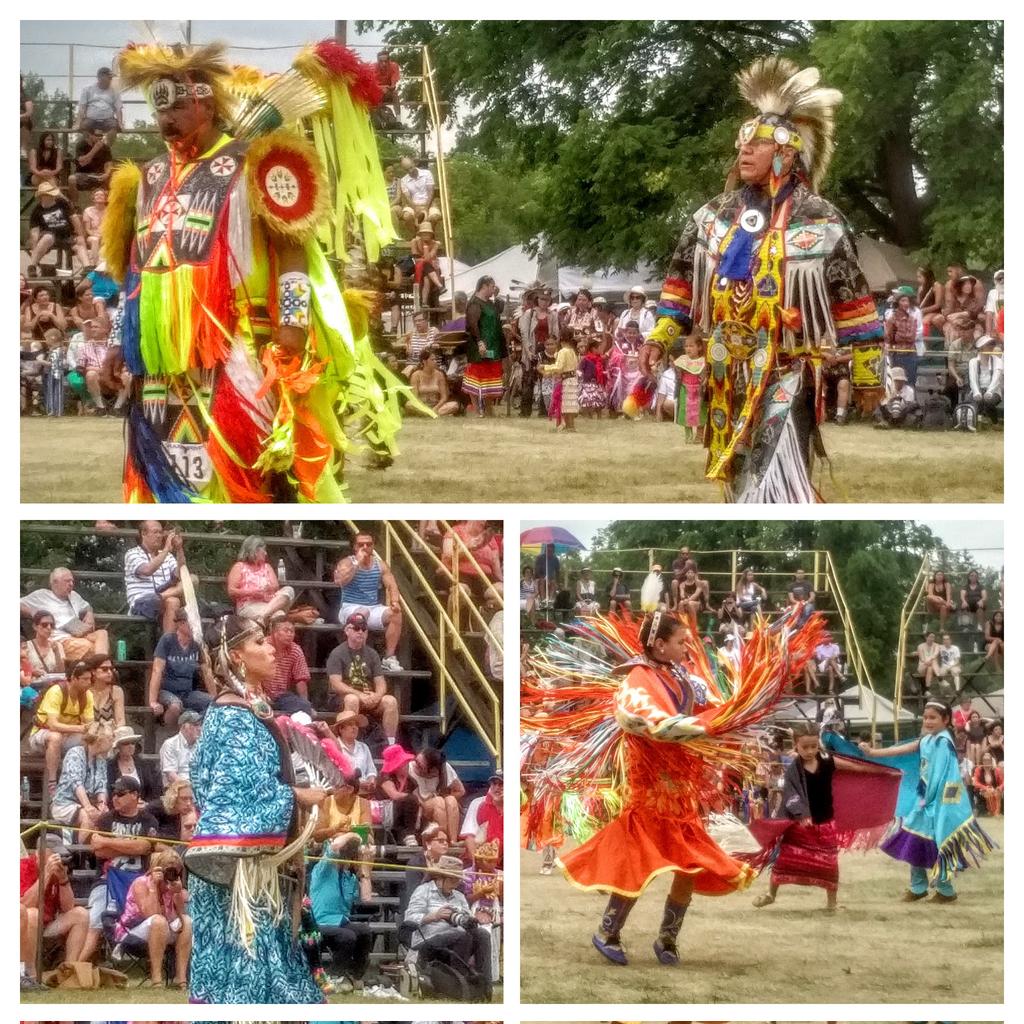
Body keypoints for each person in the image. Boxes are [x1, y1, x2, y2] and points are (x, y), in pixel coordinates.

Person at [105, 39, 405, 503]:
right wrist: (116, 342)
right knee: (166, 468)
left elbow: (292, 252)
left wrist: (291, 327)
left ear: (205, 102)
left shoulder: (254, 162)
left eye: (177, 105)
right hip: (160, 358)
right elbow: (135, 268)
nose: (165, 118)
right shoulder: (147, 178)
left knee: (242, 466)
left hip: (240, 342)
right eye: (157, 107)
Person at [522, 609, 820, 967]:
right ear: (659, 644)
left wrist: (737, 711)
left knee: (690, 864)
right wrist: (691, 727)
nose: (686, 648)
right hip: (649, 789)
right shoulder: (638, 678)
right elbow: (645, 717)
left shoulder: (683, 678)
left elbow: (712, 708)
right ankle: (608, 931)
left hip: (681, 789)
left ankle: (667, 938)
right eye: (681, 642)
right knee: (637, 861)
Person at [645, 57, 880, 501]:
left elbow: (855, 303)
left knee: (774, 476)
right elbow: (678, 286)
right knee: (736, 478)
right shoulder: (715, 215)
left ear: (787, 154)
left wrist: (869, 375)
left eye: (757, 144)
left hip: (786, 369)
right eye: (742, 144)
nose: (744, 152)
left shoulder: (819, 220)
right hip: (724, 373)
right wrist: (659, 337)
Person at [184, 614, 328, 1003]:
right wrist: (298, 796)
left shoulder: (252, 709)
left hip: (257, 870)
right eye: (260, 642)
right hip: (236, 873)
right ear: (236, 656)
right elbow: (233, 792)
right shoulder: (231, 715)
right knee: (246, 980)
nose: (270, 648)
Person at [860, 700, 993, 902]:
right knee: (916, 839)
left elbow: (940, 774)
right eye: (925, 717)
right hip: (927, 800)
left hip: (941, 802)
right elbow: (905, 749)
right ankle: (918, 887)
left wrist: (927, 800)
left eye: (933, 717)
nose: (928, 721)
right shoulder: (928, 740)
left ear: (946, 719)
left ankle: (944, 890)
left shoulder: (942, 742)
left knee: (939, 842)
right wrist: (873, 753)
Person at [751, 724, 888, 912]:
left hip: (825, 822)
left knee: (830, 864)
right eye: (805, 747)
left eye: (813, 746)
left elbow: (855, 767)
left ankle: (832, 904)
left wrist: (881, 772)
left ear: (818, 745)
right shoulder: (794, 769)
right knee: (784, 861)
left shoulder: (827, 761)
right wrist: (802, 814)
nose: (809, 751)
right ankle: (771, 894)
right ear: (796, 746)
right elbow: (791, 794)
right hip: (801, 826)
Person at [81, 774, 160, 964]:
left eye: (121, 793)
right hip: (106, 880)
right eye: (114, 793)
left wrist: (108, 842)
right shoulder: (106, 819)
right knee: (94, 921)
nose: (115, 797)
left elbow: (144, 847)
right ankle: (77, 966)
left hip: (138, 882)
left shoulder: (148, 820)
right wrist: (130, 845)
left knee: (155, 917)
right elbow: (98, 851)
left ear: (135, 795)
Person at [403, 856, 493, 998]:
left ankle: (485, 987)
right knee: (461, 936)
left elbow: (467, 922)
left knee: (482, 934)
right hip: (428, 941)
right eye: (452, 879)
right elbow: (409, 919)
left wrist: (476, 919)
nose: (456, 883)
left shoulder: (459, 896)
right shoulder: (423, 891)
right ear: (440, 877)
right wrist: (433, 916)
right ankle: (459, 985)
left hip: (458, 939)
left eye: (458, 880)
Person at [114, 848, 192, 988]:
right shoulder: (142, 883)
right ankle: (156, 979)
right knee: (158, 921)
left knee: (187, 921)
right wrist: (154, 887)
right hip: (133, 930)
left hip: (162, 929)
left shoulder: (172, 886)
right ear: (159, 869)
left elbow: (180, 914)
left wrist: (177, 893)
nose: (171, 874)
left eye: (176, 871)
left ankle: (181, 979)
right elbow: (151, 914)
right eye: (168, 870)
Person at [20, 840, 91, 986]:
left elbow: (67, 909)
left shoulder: (57, 870)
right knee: (33, 913)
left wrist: (63, 880)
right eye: (53, 855)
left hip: (48, 923)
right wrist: (45, 875)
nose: (58, 858)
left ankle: (69, 971)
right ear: (39, 855)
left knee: (81, 914)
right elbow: (24, 906)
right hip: (25, 925)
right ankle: (30, 975)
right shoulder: (23, 867)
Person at [334, 529, 405, 672]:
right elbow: (340, 581)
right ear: (355, 547)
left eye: (368, 544)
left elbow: (392, 585)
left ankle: (389, 658)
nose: (365, 547)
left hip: (373, 607)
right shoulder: (347, 562)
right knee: (362, 612)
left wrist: (395, 602)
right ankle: (359, 658)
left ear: (373, 546)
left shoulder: (380, 565)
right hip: (349, 607)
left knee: (396, 613)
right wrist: (357, 563)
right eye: (361, 544)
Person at [308, 838, 373, 992]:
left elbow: (366, 898)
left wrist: (365, 870)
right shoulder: (322, 869)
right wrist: (357, 836)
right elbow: (335, 845)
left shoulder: (348, 877)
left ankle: (354, 975)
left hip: (340, 921)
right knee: (347, 936)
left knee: (364, 931)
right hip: (320, 922)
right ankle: (334, 976)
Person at [327, 613, 400, 743]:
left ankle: (390, 744)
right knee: (352, 699)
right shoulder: (337, 653)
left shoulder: (372, 654)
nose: (360, 632)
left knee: (391, 701)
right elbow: (336, 684)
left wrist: (377, 696)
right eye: (356, 628)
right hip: (343, 697)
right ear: (347, 630)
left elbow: (381, 683)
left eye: (364, 629)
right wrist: (360, 695)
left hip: (369, 696)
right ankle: (351, 741)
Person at [29, 662, 95, 795]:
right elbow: (53, 725)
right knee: (55, 737)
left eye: (90, 679)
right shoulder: (56, 691)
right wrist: (80, 729)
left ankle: (86, 779)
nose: (89, 683)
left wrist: (92, 731)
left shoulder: (87, 695)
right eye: (85, 679)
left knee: (91, 739)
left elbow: (90, 724)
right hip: (42, 736)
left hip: (68, 737)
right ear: (74, 678)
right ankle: (52, 782)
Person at [149, 608, 216, 726]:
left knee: (212, 703)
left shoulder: (197, 643)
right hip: (167, 690)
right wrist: (153, 701)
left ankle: (193, 727)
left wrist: (215, 698)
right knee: (175, 705)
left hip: (188, 692)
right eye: (192, 622)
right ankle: (169, 731)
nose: (195, 625)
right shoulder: (167, 641)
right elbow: (157, 670)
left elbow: (207, 672)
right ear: (180, 624)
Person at [124, 520, 185, 634]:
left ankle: (161, 596)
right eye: (155, 532)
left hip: (164, 594)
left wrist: (179, 549)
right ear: (143, 534)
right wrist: (166, 549)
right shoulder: (132, 553)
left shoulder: (168, 556)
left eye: (161, 533)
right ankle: (168, 648)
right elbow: (147, 570)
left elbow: (181, 574)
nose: (159, 536)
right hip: (142, 601)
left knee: (191, 579)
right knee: (173, 601)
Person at [51, 721, 113, 831]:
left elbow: (101, 786)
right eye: (110, 739)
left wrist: (102, 804)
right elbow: (77, 784)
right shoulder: (75, 754)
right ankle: (79, 847)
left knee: (105, 816)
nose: (112, 743)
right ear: (99, 741)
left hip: (88, 803)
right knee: (87, 816)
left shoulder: (101, 760)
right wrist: (88, 807)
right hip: (65, 804)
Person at [226, 536, 296, 622]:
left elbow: (275, 586)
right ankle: (267, 616)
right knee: (279, 615)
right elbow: (231, 591)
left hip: (270, 602)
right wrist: (253, 592)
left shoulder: (267, 566)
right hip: (249, 605)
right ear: (255, 551)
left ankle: (263, 617)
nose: (266, 553)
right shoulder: (239, 567)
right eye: (264, 550)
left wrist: (267, 588)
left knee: (289, 590)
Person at [26, 181, 89, 276]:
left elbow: (74, 219)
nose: (52, 196)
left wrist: (81, 235)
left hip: (66, 235)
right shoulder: (37, 211)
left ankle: (87, 267)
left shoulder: (63, 203)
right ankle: (32, 266)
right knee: (48, 237)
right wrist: (35, 247)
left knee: (79, 242)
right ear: (42, 196)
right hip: (49, 237)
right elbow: (34, 232)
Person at [464, 276, 506, 415]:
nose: (494, 289)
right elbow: (473, 324)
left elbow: (499, 310)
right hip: (479, 346)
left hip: (493, 346)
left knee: (490, 377)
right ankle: (477, 410)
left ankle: (489, 409)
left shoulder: (490, 303)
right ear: (484, 286)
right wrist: (480, 342)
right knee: (476, 376)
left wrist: (496, 295)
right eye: (492, 287)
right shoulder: (474, 303)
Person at [409, 746, 465, 839]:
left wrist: (445, 800)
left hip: (440, 802)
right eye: (416, 761)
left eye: (420, 765)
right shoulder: (409, 768)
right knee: (438, 801)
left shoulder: (444, 769)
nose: (416, 765)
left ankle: (453, 840)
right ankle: (442, 839)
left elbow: (460, 791)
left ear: (433, 770)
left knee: (451, 800)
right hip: (419, 807)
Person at [265, 613, 314, 715]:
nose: (290, 634)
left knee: (304, 706)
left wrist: (305, 703)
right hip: (260, 692)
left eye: (292, 631)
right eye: (286, 630)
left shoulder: (295, 650)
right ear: (274, 632)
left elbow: (301, 679)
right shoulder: (262, 647)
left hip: (281, 695)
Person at [378, 743, 421, 845]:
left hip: (406, 816)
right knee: (410, 800)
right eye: (403, 763)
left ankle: (414, 836)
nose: (406, 765)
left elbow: (418, 801)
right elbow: (394, 795)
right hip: (386, 812)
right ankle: (409, 835)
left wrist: (419, 813)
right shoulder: (384, 778)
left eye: (406, 762)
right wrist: (411, 798)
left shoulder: (411, 781)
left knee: (416, 805)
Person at [459, 769, 504, 864]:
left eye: (501, 784)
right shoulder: (478, 803)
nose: (497, 788)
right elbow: (470, 837)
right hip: (481, 860)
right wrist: (478, 865)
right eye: (494, 784)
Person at [110, 723, 162, 802]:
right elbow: (110, 792)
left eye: (133, 742)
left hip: (145, 808)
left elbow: (156, 792)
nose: (131, 746)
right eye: (126, 743)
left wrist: (146, 805)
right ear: (118, 746)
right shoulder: (110, 766)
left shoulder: (147, 765)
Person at [540, 330, 580, 430]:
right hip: (573, 379)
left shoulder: (563, 351)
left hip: (566, 379)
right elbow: (575, 365)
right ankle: (570, 426)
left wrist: (545, 367)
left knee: (567, 404)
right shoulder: (572, 351)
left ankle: (570, 426)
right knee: (569, 404)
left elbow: (559, 367)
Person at [331, 708, 378, 787]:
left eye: (356, 725)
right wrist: (358, 784)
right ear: (341, 729)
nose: (354, 727)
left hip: (364, 793)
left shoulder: (364, 747)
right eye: (350, 724)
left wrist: (371, 780)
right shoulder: (334, 747)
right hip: (343, 792)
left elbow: (371, 770)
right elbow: (333, 774)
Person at [674, 335, 707, 442]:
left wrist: (704, 379)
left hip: (699, 390)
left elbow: (705, 375)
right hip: (685, 389)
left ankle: (700, 435)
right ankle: (688, 435)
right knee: (685, 411)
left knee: (700, 411)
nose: (688, 348)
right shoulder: (682, 360)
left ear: (699, 347)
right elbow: (678, 375)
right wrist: (678, 370)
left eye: (691, 346)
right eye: (686, 346)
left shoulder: (703, 361)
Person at [68, 126, 113, 204]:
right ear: (90, 135)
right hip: (83, 174)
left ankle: (107, 205)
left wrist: (107, 173)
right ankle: (74, 205)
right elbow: (82, 162)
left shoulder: (105, 147)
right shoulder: (81, 145)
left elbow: (108, 163)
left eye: (101, 136)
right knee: (71, 179)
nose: (99, 138)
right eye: (97, 135)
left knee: (112, 178)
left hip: (99, 175)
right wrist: (95, 149)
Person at [159, 710, 203, 786]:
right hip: (177, 789)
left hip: (199, 788)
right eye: (195, 725)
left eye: (200, 725)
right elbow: (171, 775)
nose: (199, 729)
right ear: (183, 727)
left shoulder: (202, 745)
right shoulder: (170, 744)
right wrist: (189, 787)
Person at [148, 777, 197, 845]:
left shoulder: (182, 812)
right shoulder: (155, 809)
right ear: (174, 798)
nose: (189, 803)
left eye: (190, 799)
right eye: (184, 799)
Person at [77, 65, 122, 140]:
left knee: (115, 126)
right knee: (83, 126)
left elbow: (118, 108)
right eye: (108, 77)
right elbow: (82, 107)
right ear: (100, 78)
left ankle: (106, 146)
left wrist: (120, 123)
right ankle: (91, 144)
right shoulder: (88, 89)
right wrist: (78, 122)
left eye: (110, 78)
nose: (110, 80)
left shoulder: (114, 91)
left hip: (108, 119)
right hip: (91, 119)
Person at [398, 155, 441, 231]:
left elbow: (431, 192)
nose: (410, 171)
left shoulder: (427, 173)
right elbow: (408, 198)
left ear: (414, 163)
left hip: (429, 204)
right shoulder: (403, 180)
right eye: (407, 170)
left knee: (434, 217)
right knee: (407, 216)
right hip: (413, 205)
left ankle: (430, 235)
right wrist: (416, 209)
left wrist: (426, 209)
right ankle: (415, 235)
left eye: (411, 167)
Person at [23, 609, 66, 684]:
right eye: (44, 625)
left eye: (51, 625)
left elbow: (61, 672)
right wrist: (32, 671)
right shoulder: (26, 646)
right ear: (35, 626)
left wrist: (56, 653)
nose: (49, 628)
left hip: (52, 687)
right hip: (32, 687)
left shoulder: (58, 646)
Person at [411, 224, 444, 307]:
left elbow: (429, 258)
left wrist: (426, 247)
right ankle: (440, 286)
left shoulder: (435, 244)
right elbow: (415, 258)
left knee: (427, 278)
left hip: (431, 268)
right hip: (418, 266)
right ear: (420, 234)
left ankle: (424, 302)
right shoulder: (414, 242)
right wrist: (426, 248)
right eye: (423, 233)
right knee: (425, 265)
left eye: (427, 233)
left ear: (431, 235)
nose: (425, 235)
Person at [374, 48, 402, 121]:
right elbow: (372, 85)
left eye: (386, 61)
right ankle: (378, 120)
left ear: (389, 60)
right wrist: (383, 87)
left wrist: (392, 86)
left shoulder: (394, 66)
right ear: (378, 61)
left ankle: (399, 120)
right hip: (376, 94)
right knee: (382, 91)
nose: (384, 64)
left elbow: (394, 79)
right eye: (381, 61)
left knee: (395, 93)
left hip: (388, 93)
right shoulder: (373, 67)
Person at [972, 752, 1003, 817]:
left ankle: (996, 811)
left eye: (988, 760)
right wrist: (986, 788)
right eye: (985, 760)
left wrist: (999, 788)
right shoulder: (978, 770)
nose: (986, 762)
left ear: (991, 761)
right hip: (982, 792)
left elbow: (1003, 782)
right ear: (982, 761)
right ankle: (988, 810)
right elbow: (975, 782)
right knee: (986, 794)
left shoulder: (996, 770)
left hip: (994, 791)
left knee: (997, 793)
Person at [82, 188, 108, 264]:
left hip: (106, 236)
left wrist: (104, 236)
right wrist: (95, 235)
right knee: (95, 240)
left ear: (105, 198)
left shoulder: (110, 210)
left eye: (101, 195)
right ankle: (95, 265)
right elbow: (87, 229)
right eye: (97, 195)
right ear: (93, 198)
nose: (99, 196)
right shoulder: (88, 211)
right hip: (92, 236)